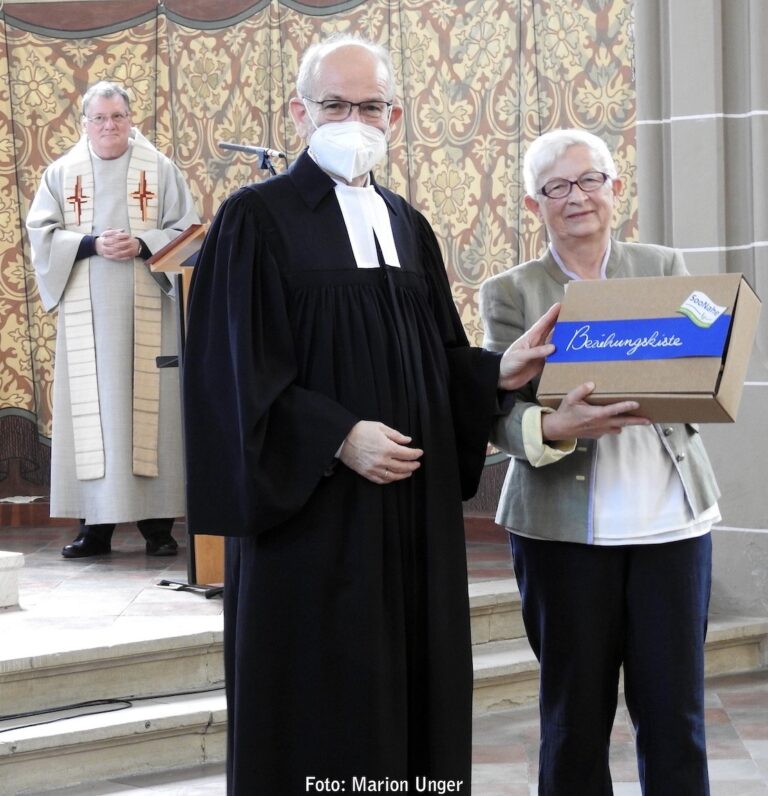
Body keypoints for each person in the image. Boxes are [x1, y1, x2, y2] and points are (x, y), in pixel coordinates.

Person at [182, 34, 558, 795]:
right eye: (335, 105)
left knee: (416, 698)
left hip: (413, 518)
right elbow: (230, 376)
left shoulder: (404, 221)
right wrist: (336, 436)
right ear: (299, 112)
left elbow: (432, 355)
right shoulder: (255, 220)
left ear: (393, 115)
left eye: (370, 106)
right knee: (327, 703)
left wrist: (498, 369)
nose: (354, 119)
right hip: (318, 522)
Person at [480, 128, 721, 795]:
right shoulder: (511, 292)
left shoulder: (665, 267)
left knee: (675, 714)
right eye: (556, 187)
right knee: (574, 717)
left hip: (670, 524)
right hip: (561, 531)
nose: (577, 197)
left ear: (616, 188)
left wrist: (701, 369)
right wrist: (553, 425)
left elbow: (703, 362)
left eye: (590, 180)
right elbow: (492, 410)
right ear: (535, 206)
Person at [27, 81, 200, 558]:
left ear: (131, 119)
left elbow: (189, 231)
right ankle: (94, 531)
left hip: (148, 304)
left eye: (117, 117)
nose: (109, 126)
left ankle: (159, 529)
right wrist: (89, 244)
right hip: (89, 312)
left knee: (153, 414)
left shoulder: (160, 169)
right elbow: (41, 233)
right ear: (84, 123)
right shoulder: (62, 173)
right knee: (94, 418)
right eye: (99, 118)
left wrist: (143, 243)